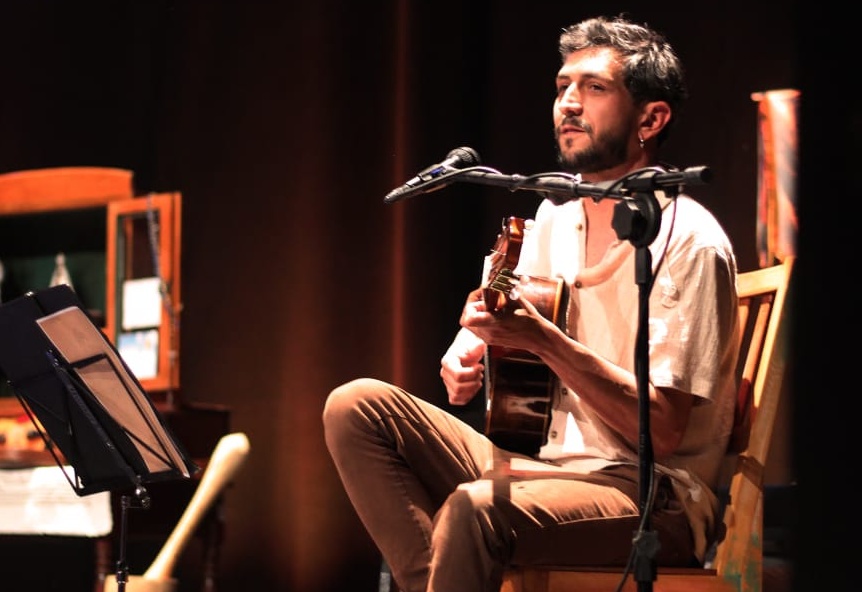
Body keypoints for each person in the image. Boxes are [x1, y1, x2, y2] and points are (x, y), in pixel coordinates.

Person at [323, 14, 739, 592]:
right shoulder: (554, 218)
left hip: (651, 497)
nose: (569, 102)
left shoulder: (688, 240)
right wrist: (470, 343)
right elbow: (506, 314)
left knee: (476, 508)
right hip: (544, 469)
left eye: (594, 87)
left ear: (651, 118)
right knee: (356, 407)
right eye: (563, 86)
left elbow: (662, 432)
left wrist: (543, 340)